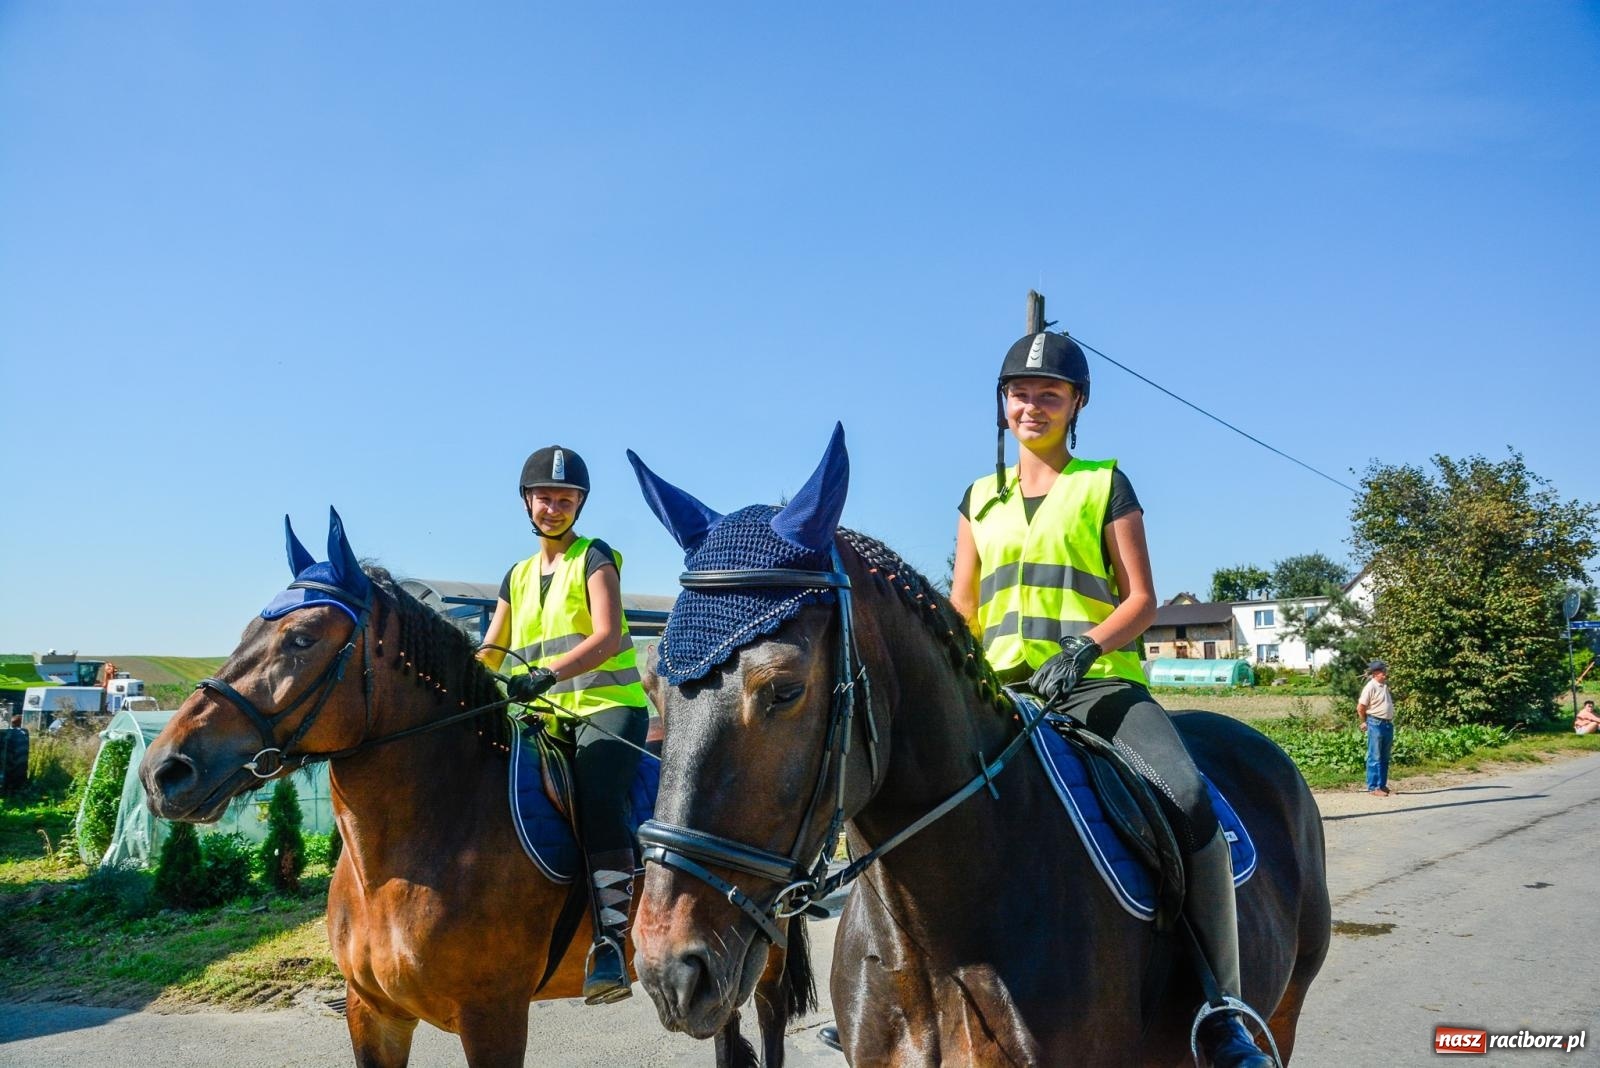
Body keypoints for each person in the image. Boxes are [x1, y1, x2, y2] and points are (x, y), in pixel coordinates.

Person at [946, 330, 1272, 1068]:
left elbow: (1144, 599)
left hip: (1096, 685)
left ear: (1076, 404)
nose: (1033, 405)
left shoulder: (1104, 483)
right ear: (1002, 404)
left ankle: (1222, 1013)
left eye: (1049, 394)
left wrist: (1083, 649)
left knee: (1187, 798)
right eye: (1020, 393)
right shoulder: (977, 498)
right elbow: (963, 603)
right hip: (999, 690)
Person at [477, 445, 649, 1005]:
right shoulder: (517, 575)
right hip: (542, 717)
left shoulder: (594, 558)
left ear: (579, 505)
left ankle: (611, 943)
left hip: (607, 711)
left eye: (565, 499)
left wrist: (546, 675)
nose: (553, 507)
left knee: (598, 799)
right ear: (527, 502)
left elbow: (604, 637)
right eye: (545, 498)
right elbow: (493, 649)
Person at [1357, 661, 1395, 796]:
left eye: (1384, 671)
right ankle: (1373, 787)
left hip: (1387, 724)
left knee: (1384, 756)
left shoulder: (1383, 686)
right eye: (1382, 671)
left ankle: (1382, 785)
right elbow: (1361, 707)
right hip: (1375, 723)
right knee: (1375, 756)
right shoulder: (1370, 687)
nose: (1385, 674)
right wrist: (1364, 721)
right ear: (1375, 673)